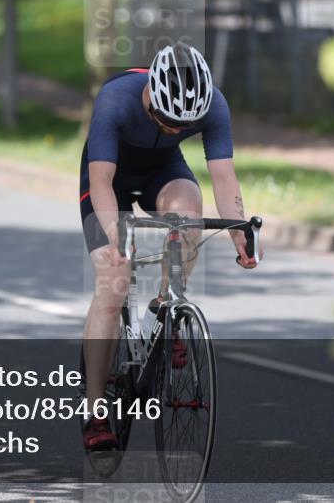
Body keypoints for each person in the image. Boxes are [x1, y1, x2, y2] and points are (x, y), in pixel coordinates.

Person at [79, 42, 261, 451]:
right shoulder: (115, 100)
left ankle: (166, 307)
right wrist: (114, 237)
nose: (175, 130)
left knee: (189, 214)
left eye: (185, 125)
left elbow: (224, 178)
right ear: (151, 98)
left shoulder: (213, 104)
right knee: (114, 280)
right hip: (109, 181)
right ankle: (95, 412)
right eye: (166, 121)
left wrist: (238, 233)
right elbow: (103, 184)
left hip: (163, 171)